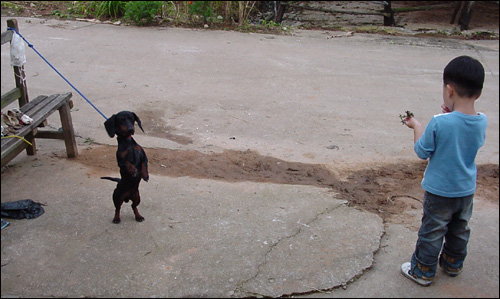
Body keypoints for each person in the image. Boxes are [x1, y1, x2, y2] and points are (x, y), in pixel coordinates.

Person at [401, 55, 487, 286]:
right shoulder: (482, 121)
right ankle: (452, 263)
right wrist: (453, 115)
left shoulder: (440, 122)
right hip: (465, 190)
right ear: (478, 93)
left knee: (432, 231)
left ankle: (422, 270)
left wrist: (417, 126)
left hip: (440, 191)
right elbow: (464, 135)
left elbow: (422, 150)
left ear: (449, 90)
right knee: (459, 229)